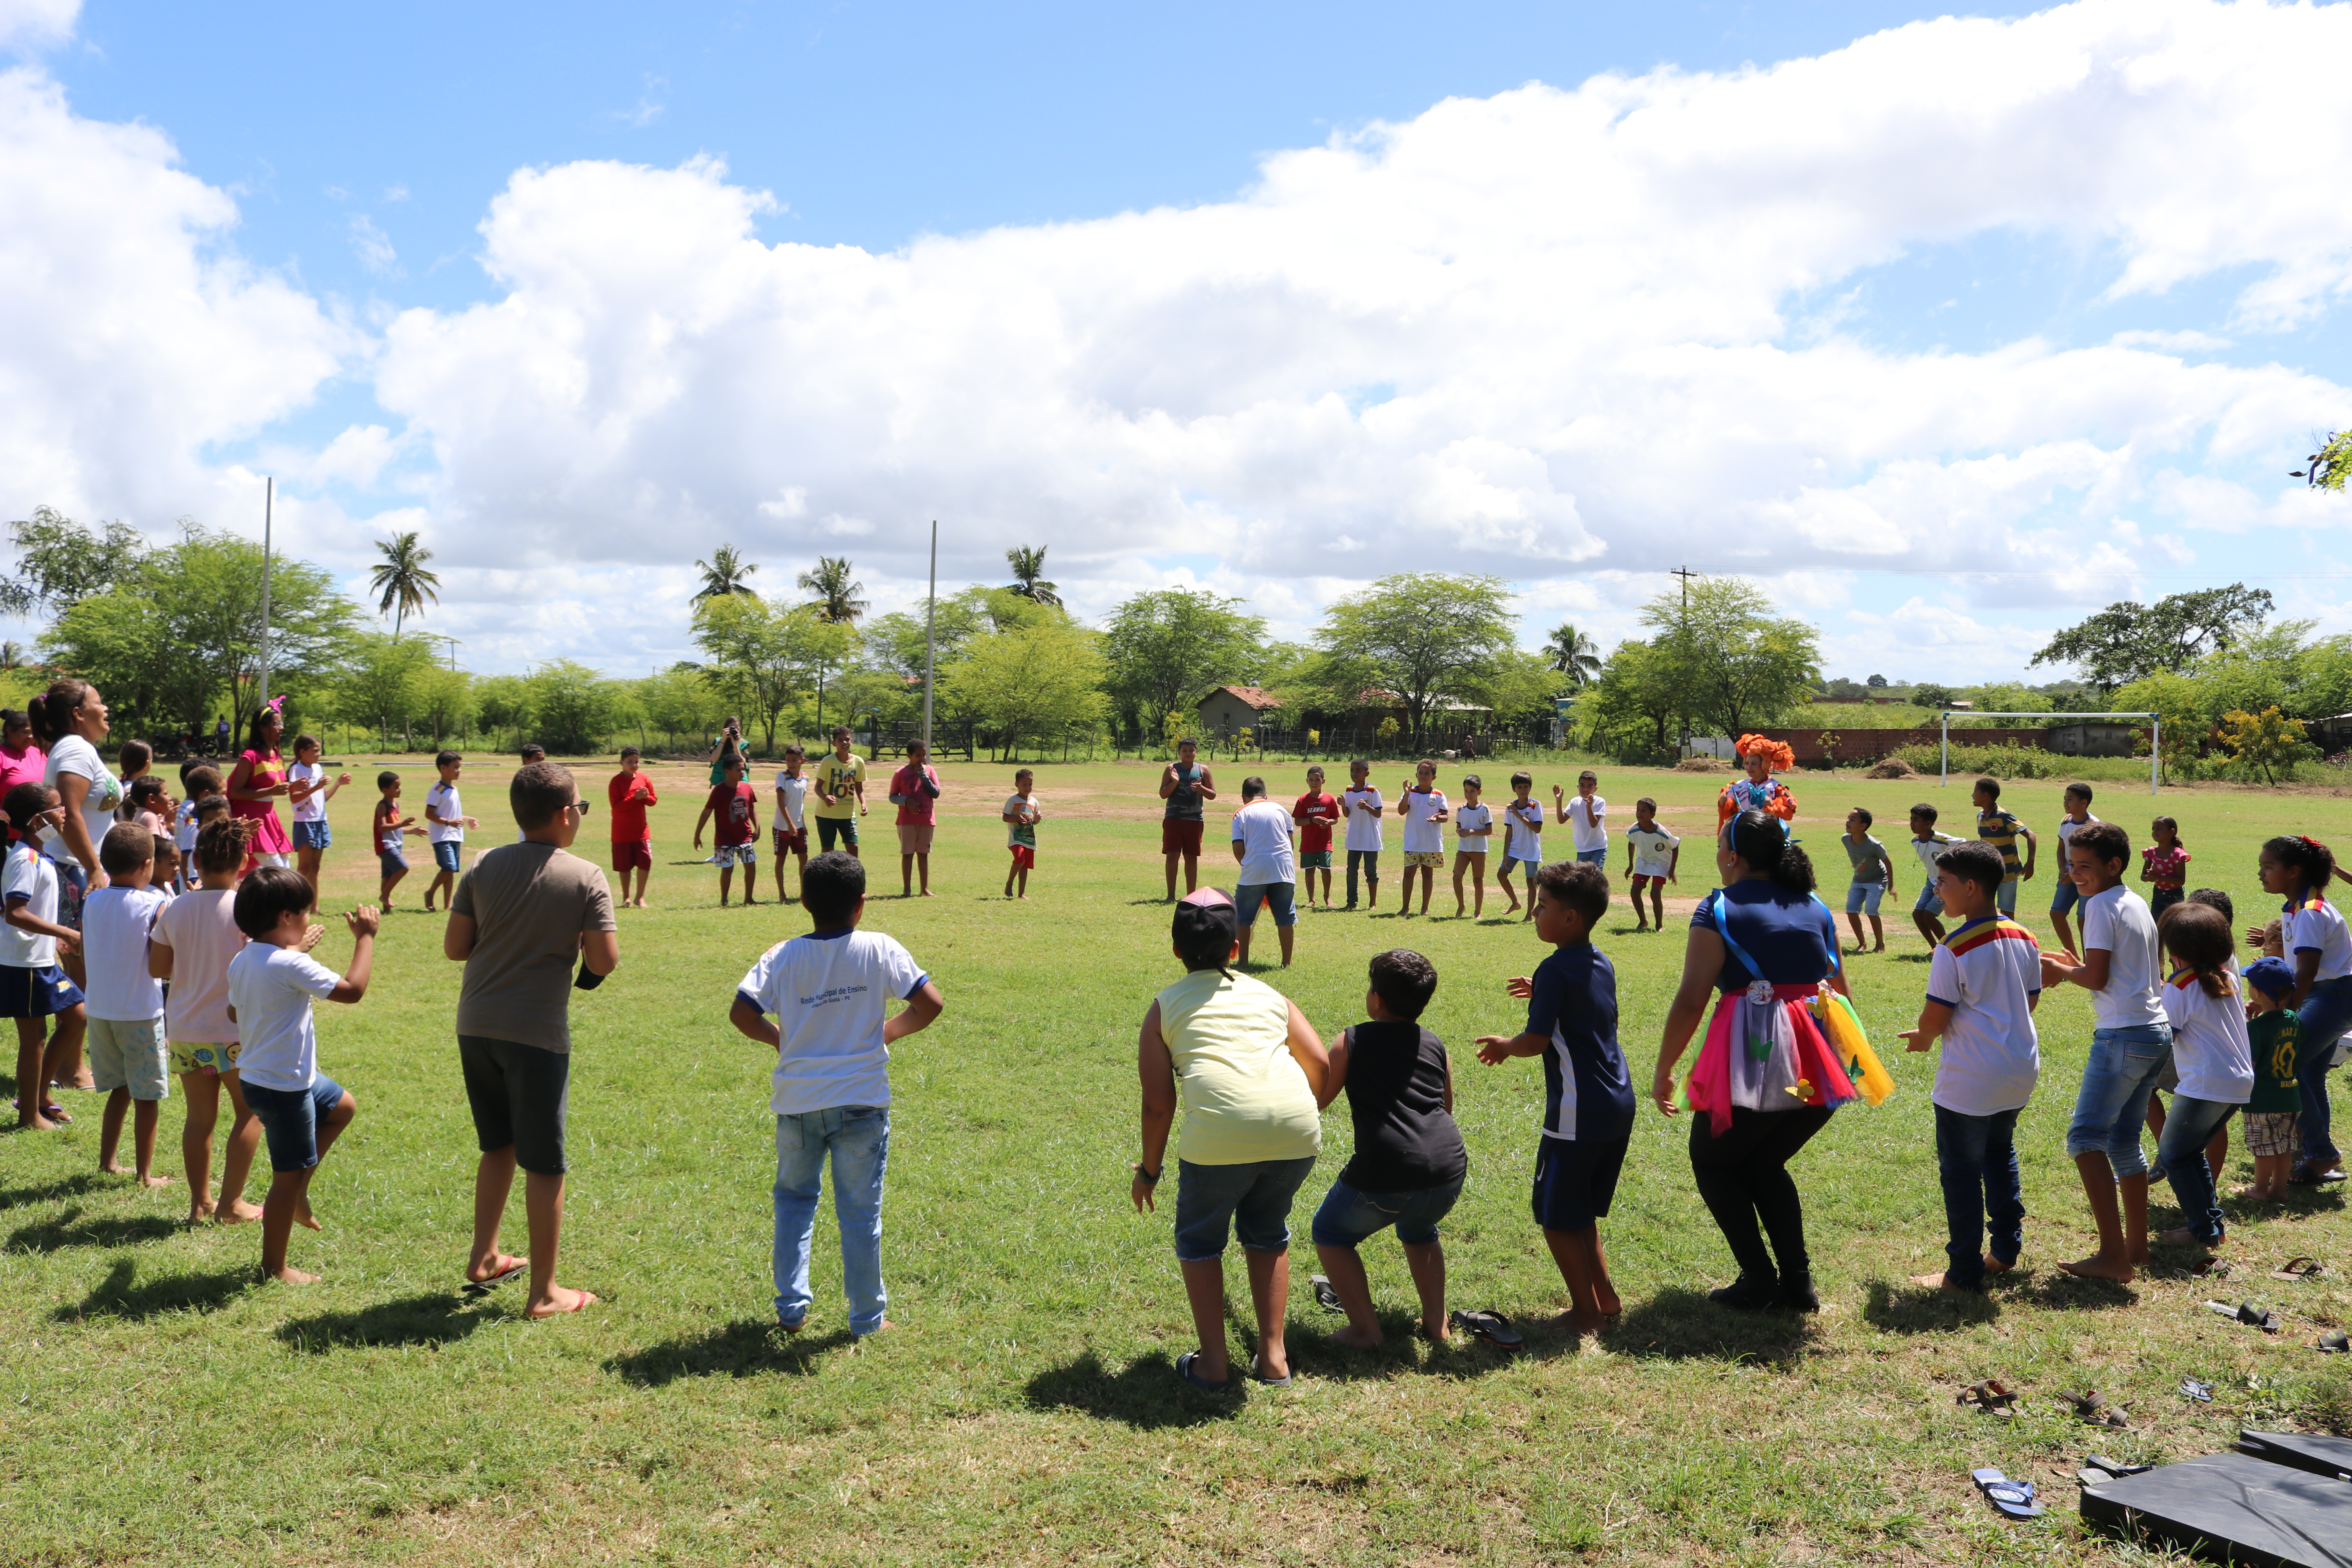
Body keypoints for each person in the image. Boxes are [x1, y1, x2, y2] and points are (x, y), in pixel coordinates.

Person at [729, 851, 943, 1338]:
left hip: (798, 1104)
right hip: (862, 1101)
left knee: (794, 1203)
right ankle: (867, 1318)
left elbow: (742, 1013)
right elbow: (930, 1003)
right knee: (860, 1211)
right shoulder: (880, 947)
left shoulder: (782, 955)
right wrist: (887, 1032)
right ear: (862, 904)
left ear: (804, 901)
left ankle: (791, 1309)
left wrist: (780, 1037)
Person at [1655, 810, 1857, 1312]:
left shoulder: (1718, 907)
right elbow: (1843, 991)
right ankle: (1797, 1284)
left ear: (1732, 857)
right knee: (1764, 1162)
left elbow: (1691, 999)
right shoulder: (1816, 905)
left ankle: (1762, 1280)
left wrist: (1663, 1069)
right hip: (1820, 1058)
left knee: (1713, 1160)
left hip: (1759, 1054)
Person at [1130, 888, 1327, 1391]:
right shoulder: (1271, 995)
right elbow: (1321, 1065)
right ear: (1235, 948)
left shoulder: (1164, 1007)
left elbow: (1158, 1104)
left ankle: (1214, 1365)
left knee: (1199, 1241)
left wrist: (1149, 1172)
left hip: (1217, 1141)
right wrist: (1294, 1116)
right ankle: (1275, 1359)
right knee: (1267, 1231)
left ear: (1175, 950)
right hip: (1296, 1132)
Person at [444, 760, 618, 1317]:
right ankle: (544, 1293)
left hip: (476, 1025)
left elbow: (455, 947)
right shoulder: (586, 875)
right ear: (566, 814)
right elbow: (604, 959)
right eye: (583, 808)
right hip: (535, 1035)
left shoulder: (481, 863)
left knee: (498, 1145)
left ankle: (485, 1257)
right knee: (545, 1164)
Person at [1475, 861, 1635, 1336]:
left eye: (1543, 906)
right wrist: (1541, 990)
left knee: (1556, 1216)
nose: (1535, 911)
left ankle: (1586, 1315)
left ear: (1570, 918)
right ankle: (1604, 1298)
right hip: (1616, 1101)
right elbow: (1599, 1016)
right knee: (1579, 1209)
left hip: (1577, 1110)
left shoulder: (1553, 968)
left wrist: (1507, 1045)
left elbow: (1537, 1040)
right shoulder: (1599, 960)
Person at [1310, 949, 1475, 1348]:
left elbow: (1317, 1099)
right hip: (1447, 1170)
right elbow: (1446, 1106)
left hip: (1386, 1170)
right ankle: (1438, 1326)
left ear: (1376, 999)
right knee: (1420, 1228)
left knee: (1330, 1232)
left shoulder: (1352, 1039)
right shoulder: (1435, 1044)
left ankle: (1366, 1330)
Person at [1898, 842, 2040, 1292]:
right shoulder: (2026, 936)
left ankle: (1962, 1272)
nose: (1937, 890)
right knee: (1999, 1153)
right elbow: (2030, 999)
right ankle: (2004, 1251)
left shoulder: (1953, 947)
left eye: (1943, 882)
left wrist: (1922, 1038)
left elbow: (1935, 1019)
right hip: (2019, 1068)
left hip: (1973, 1076)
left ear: (1972, 887)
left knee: (1961, 1172)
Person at [227, 867, 374, 1284]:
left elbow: (233, 1012)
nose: (310, 919)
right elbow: (352, 990)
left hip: (268, 1077)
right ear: (288, 918)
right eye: (307, 912)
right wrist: (365, 938)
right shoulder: (289, 964)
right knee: (284, 1178)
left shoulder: (245, 958)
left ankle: (298, 1191)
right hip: (283, 1088)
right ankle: (275, 1266)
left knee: (342, 1107)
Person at [2038, 820, 2167, 1282]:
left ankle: (2114, 1255)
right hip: (2154, 1030)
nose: (2076, 874)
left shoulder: (2098, 906)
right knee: (2123, 1141)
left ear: (2114, 865)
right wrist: (2074, 966)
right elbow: (2119, 971)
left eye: (2086, 866)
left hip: (2124, 1035)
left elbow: (2095, 979)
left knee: (2084, 1139)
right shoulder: (2134, 902)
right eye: (2072, 866)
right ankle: (2136, 1249)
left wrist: (2055, 969)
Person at [149, 816, 265, 1224]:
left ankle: (200, 1204)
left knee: (199, 1119)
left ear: (194, 859)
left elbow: (157, 968)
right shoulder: (247, 909)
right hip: (235, 1031)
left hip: (185, 1029)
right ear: (246, 860)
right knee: (250, 1113)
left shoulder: (176, 907)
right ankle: (231, 1203)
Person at [2151, 902, 2254, 1258]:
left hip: (2206, 1083)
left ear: (2173, 950)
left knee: (2173, 1155)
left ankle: (2201, 1230)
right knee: (2189, 1152)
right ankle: (2210, 1226)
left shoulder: (2180, 985)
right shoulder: (2224, 975)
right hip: (2237, 1081)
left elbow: (2167, 1035)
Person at [2248, 834, 2352, 1185]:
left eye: (2268, 866)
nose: (2261, 873)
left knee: (2287, 1061)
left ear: (2293, 871)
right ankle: (2313, 1151)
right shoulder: (2296, 908)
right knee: (2308, 1073)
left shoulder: (2309, 913)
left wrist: (2284, 1016)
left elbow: (2306, 971)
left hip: (2332, 994)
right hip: (2324, 993)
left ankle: (2319, 1151)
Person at [33, 678, 121, 1087]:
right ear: (77, 714)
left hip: (80, 870)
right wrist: (95, 868)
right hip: (75, 872)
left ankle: (74, 1064)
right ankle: (71, 1068)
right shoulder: (75, 749)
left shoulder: (81, 749)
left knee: (87, 967)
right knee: (84, 970)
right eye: (99, 703)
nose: (106, 709)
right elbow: (70, 813)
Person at [82, 824, 172, 1189]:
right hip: (140, 1013)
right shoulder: (154, 904)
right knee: (147, 1096)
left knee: (119, 1090)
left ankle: (108, 1162)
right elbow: (166, 957)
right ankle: (145, 1175)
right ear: (148, 864)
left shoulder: (93, 899)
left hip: (100, 1011)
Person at [4, 782, 85, 1129]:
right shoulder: (24, 858)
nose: (65, 812)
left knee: (77, 1018)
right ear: (39, 820)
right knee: (34, 1037)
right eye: (58, 807)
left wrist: (53, 941)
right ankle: (29, 1116)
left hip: (41, 960)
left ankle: (39, 1096)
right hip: (23, 963)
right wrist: (64, 932)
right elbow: (15, 912)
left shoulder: (38, 855)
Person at [2235, 956, 2303, 1202]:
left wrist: (2250, 1026)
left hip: (2263, 1099)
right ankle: (2279, 1190)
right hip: (2289, 1096)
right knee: (2283, 1146)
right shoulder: (2294, 1019)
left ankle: (2260, 1189)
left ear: (2257, 992)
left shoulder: (2256, 1028)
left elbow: (2251, 1064)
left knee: (2264, 1149)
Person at [1229, 776, 1300, 967]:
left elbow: (1238, 848)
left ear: (1244, 797)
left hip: (1255, 870)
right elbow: (1291, 844)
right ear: (1266, 796)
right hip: (1284, 869)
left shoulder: (1241, 814)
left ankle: (1243, 960)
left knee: (1244, 918)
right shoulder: (1282, 810)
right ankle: (1287, 962)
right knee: (1285, 917)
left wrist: (1247, 866)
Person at [225, 702, 296, 874]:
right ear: (263, 728)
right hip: (251, 816)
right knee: (277, 870)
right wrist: (271, 791)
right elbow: (234, 792)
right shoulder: (250, 757)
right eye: (276, 724)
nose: (281, 728)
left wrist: (294, 786)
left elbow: (273, 785)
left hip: (269, 816)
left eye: (281, 724)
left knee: (286, 865)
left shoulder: (276, 753)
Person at [285, 735, 352, 913]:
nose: (319, 754)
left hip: (321, 821)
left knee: (315, 867)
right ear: (303, 752)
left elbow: (322, 799)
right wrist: (316, 787)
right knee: (304, 867)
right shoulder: (297, 770)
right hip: (305, 822)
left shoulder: (318, 768)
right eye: (315, 750)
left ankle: (314, 908)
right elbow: (294, 798)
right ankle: (295, 906)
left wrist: (338, 783)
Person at [694, 754, 760, 906]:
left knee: (751, 866)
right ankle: (724, 900)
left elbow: (751, 808)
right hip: (725, 839)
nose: (742, 773)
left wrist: (757, 826)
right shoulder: (719, 791)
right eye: (738, 770)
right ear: (727, 772)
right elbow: (707, 812)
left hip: (745, 837)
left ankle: (749, 899)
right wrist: (697, 835)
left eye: (743, 769)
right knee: (727, 869)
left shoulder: (747, 788)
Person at [1970, 777, 2035, 919]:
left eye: (1975, 791)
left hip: (2009, 872)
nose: (1972, 795)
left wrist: (2030, 863)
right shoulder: (1980, 816)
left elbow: (2031, 835)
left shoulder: (2004, 816)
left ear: (1985, 795)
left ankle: (2008, 938)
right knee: (1985, 909)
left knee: (2007, 913)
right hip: (1990, 871)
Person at [1159, 739, 1215, 899]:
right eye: (1185, 750)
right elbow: (1163, 794)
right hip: (1173, 819)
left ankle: (1191, 896)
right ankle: (1171, 896)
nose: (1188, 753)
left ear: (1196, 752)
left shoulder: (1203, 770)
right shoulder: (1172, 769)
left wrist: (1201, 788)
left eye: (1192, 750)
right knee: (1172, 856)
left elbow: (1212, 795)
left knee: (1191, 857)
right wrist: (1175, 782)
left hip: (1195, 820)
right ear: (1179, 752)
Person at [422, 751, 477, 911]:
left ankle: (447, 906)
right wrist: (448, 822)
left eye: (460, 767)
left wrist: (466, 819)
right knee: (450, 867)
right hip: (441, 836)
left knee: (451, 871)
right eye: (455, 767)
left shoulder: (454, 789)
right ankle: (430, 893)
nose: (459, 771)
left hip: (455, 835)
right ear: (443, 768)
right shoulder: (438, 790)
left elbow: (453, 814)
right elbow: (429, 814)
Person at [606, 746, 659, 909]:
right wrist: (634, 798)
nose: (634, 765)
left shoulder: (643, 778)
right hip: (621, 833)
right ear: (622, 762)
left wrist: (644, 798)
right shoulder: (616, 782)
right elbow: (617, 807)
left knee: (645, 862)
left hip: (641, 831)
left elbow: (653, 800)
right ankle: (626, 898)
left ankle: (640, 898)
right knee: (625, 867)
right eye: (630, 762)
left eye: (637, 762)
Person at [1394, 760, 1448, 917]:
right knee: (1409, 874)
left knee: (1428, 875)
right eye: (1421, 773)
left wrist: (1438, 817)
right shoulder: (1411, 793)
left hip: (1431, 843)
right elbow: (1401, 811)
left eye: (1427, 774)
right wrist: (1406, 793)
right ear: (1416, 775)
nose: (1423, 776)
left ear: (1434, 777)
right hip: (1413, 842)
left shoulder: (1438, 795)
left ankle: (1425, 908)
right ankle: (1405, 908)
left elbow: (1445, 816)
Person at [888, 740, 942, 898]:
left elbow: (936, 793)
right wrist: (906, 801)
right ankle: (907, 889)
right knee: (908, 854)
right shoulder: (900, 773)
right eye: (918, 755)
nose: (922, 759)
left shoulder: (930, 771)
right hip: (907, 820)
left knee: (924, 854)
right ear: (909, 755)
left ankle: (924, 888)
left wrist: (923, 776)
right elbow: (892, 797)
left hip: (926, 819)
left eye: (924, 755)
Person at [2050, 784, 2099, 952]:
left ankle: (2090, 961)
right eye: (2065, 799)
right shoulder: (2065, 821)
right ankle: (2073, 957)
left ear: (2084, 802)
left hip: (2087, 878)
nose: (2066, 803)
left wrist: (2073, 874)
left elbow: (2093, 857)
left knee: (2083, 919)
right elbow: (2061, 848)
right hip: (2068, 875)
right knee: (2057, 913)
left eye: (2070, 799)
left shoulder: (2093, 826)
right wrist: (2062, 870)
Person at [1841, 807, 1895, 954]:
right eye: (1848, 818)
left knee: (1871, 911)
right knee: (1851, 910)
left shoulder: (1874, 845)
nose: (1847, 821)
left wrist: (1891, 886)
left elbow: (1888, 863)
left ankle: (1880, 945)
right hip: (1859, 879)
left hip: (1877, 880)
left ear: (1863, 826)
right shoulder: (1845, 839)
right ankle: (1862, 943)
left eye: (1852, 819)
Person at [1624, 798, 1679, 934]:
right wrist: (1631, 865)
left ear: (1653, 814)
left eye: (1644, 810)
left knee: (1655, 893)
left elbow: (1675, 847)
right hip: (1644, 861)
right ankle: (1643, 921)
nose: (1639, 813)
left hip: (1661, 863)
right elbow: (1632, 843)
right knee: (1635, 891)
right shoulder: (1633, 830)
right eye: (1638, 809)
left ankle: (1659, 925)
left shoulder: (1661, 832)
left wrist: (1672, 870)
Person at [372, 771, 425, 912]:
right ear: (385, 790)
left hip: (395, 844)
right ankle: (385, 896)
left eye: (399, 786)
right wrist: (403, 824)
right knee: (403, 868)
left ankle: (386, 910)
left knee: (387, 876)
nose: (400, 789)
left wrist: (411, 831)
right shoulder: (382, 806)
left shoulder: (396, 805)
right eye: (396, 787)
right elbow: (383, 828)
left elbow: (394, 829)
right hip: (385, 845)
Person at [1907, 804, 1959, 947]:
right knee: (1917, 914)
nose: (1912, 823)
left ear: (1929, 824)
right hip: (1931, 882)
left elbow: (1964, 844)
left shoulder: (1942, 840)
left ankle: (1949, 948)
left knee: (1929, 915)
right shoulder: (1915, 841)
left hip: (1946, 883)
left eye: (1916, 820)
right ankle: (1934, 948)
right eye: (1911, 819)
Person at [813, 726, 868, 860]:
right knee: (827, 851)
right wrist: (826, 797)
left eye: (847, 739)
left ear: (852, 741)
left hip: (847, 815)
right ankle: (827, 879)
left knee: (853, 848)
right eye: (840, 740)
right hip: (826, 815)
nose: (844, 743)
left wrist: (864, 803)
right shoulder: (828, 761)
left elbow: (859, 787)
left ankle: (853, 878)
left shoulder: (858, 762)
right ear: (834, 743)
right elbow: (818, 787)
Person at [1716, 736, 1796, 827]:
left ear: (1764, 765)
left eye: (1754, 764)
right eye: (1747, 763)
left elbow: (1789, 815)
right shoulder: (1738, 787)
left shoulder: (1776, 788)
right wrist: (1723, 804)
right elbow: (1728, 815)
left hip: (1769, 834)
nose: (1749, 767)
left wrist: (1772, 805)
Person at [1497, 771, 1543, 920]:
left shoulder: (1535, 806)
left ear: (1530, 788)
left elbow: (1537, 828)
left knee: (1531, 881)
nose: (1523, 790)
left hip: (1531, 850)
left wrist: (1520, 816)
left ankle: (1529, 915)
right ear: (1514, 789)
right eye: (1520, 787)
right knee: (1502, 875)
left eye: (1526, 787)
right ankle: (1515, 902)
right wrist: (1505, 854)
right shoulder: (1510, 807)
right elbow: (1509, 832)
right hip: (1515, 849)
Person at [1292, 766, 1338, 911]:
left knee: (1326, 869)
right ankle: (1311, 899)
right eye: (1311, 779)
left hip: (1325, 843)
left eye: (1317, 780)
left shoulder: (1330, 799)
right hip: (1308, 843)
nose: (1314, 782)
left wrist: (1328, 823)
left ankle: (1327, 897)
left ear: (1323, 781)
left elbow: (1335, 819)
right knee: (1309, 871)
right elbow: (1298, 821)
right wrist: (1313, 820)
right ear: (1307, 781)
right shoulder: (1303, 800)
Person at [1339, 759, 1383, 912]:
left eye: (1358, 770)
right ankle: (1351, 902)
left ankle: (1373, 903)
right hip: (1354, 838)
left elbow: (1378, 813)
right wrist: (1344, 805)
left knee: (1370, 870)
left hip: (1370, 838)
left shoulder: (1372, 790)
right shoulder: (1349, 790)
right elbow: (1347, 814)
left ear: (1367, 773)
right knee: (1352, 871)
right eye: (1352, 770)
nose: (1354, 773)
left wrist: (1367, 807)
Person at [771, 744, 810, 904]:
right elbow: (782, 802)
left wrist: (803, 824)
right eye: (788, 760)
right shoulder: (782, 777)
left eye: (794, 760)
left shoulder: (806, 778)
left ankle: (804, 893)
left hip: (798, 826)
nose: (790, 764)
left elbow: (800, 803)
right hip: (782, 827)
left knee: (804, 859)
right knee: (781, 860)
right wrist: (789, 825)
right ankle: (782, 895)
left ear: (803, 761)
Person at [176, 764, 223, 893]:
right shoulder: (195, 826)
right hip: (198, 893)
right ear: (206, 795)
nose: (225, 798)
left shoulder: (200, 820)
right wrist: (193, 890)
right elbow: (186, 863)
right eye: (222, 793)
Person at [1450, 774, 1492, 919]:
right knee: (1457, 876)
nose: (1469, 794)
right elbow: (1459, 826)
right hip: (1464, 849)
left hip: (1479, 850)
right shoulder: (1461, 809)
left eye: (1472, 791)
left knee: (1478, 880)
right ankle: (1461, 905)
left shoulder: (1485, 810)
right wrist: (1459, 831)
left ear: (1479, 792)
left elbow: (1489, 831)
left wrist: (1473, 832)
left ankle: (1478, 911)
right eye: (1466, 791)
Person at [2140, 816, 2189, 920]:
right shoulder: (2151, 853)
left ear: (2172, 832)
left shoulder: (2178, 854)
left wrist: (2159, 877)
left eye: (2159, 829)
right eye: (2153, 829)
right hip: (2158, 896)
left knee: (2174, 926)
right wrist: (2149, 877)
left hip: (2175, 897)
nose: (2155, 832)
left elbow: (2181, 881)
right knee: (2157, 924)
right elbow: (2143, 876)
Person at [1002, 768, 1040, 899]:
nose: (1028, 787)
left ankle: (1021, 894)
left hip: (1029, 838)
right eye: (1024, 784)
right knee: (1019, 859)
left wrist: (1036, 820)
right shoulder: (1013, 800)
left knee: (1025, 866)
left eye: (1030, 784)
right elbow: (1005, 818)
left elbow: (1034, 822)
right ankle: (1009, 883)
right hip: (1016, 838)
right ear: (1017, 785)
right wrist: (1017, 818)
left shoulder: (1034, 802)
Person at [1558, 771, 1606, 868]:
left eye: (1590, 786)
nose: (1586, 789)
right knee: (1581, 879)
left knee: (1594, 878)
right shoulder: (1574, 802)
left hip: (1598, 847)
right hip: (1582, 849)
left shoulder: (1599, 802)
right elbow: (1562, 820)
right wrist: (1559, 800)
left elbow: (1593, 824)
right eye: (1582, 785)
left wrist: (1589, 807)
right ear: (1578, 787)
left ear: (1596, 789)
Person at [0, 709, 45, 809]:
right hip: (8, 822)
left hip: (42, 820)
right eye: (26, 732)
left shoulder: (38, 753)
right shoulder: (2, 757)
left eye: (34, 732)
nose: (32, 737)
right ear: (10, 730)